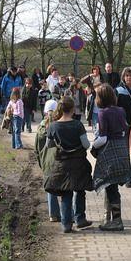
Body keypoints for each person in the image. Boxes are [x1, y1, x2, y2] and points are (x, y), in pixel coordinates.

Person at [44, 96, 95, 233]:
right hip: (78, 163)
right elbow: (86, 145)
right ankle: (80, 219)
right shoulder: (78, 125)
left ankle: (66, 223)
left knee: (66, 193)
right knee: (80, 190)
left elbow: (49, 145)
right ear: (73, 109)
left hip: (62, 164)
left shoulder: (53, 126)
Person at [92, 84, 131, 231]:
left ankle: (116, 220)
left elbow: (103, 138)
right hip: (122, 149)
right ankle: (110, 218)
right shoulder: (121, 110)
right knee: (113, 186)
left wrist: (92, 147)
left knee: (111, 188)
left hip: (110, 152)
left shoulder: (103, 113)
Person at [35, 99, 61, 223]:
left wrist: (41, 163)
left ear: (45, 111)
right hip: (59, 161)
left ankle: (53, 214)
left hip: (46, 162)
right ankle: (68, 214)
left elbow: (37, 149)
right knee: (64, 188)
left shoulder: (40, 127)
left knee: (50, 188)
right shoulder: (59, 126)